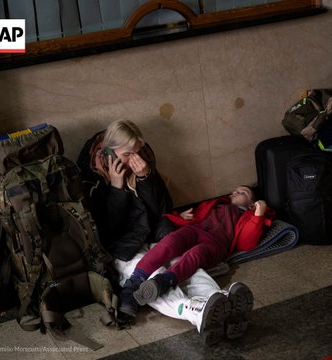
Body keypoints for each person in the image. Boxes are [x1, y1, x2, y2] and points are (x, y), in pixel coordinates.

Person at [119, 186, 274, 342]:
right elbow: (196, 214)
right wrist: (180, 216)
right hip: (194, 229)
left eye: (242, 192)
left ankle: (163, 281)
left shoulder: (246, 215)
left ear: (251, 203)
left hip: (217, 243)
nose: (234, 193)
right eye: (234, 191)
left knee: (195, 255)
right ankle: (133, 284)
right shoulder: (217, 203)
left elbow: (246, 242)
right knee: (168, 243)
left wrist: (258, 215)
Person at [77, 120, 174, 262]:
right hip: (122, 243)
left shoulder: (143, 162)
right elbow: (110, 232)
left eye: (137, 152)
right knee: (152, 270)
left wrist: (145, 178)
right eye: (127, 154)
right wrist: (116, 188)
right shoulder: (92, 179)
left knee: (173, 237)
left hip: (148, 231)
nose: (134, 159)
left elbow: (163, 211)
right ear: (108, 152)